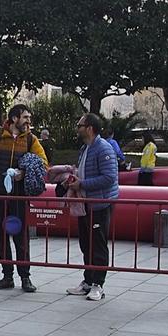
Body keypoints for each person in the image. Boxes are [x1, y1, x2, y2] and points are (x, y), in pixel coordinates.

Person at [0, 104, 45, 293]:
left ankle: (25, 277)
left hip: (19, 197)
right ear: (14, 119)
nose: (29, 121)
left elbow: (43, 162)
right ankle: (7, 276)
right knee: (1, 237)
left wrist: (24, 171)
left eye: (29, 117)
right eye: (25, 117)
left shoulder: (31, 139)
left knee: (21, 237)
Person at [66, 112, 120, 300]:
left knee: (98, 244)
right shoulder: (85, 148)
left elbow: (109, 177)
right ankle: (88, 281)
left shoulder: (103, 149)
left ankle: (98, 284)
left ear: (89, 128)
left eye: (80, 125)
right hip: (85, 204)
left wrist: (82, 184)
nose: (78, 128)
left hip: (100, 205)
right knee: (86, 244)